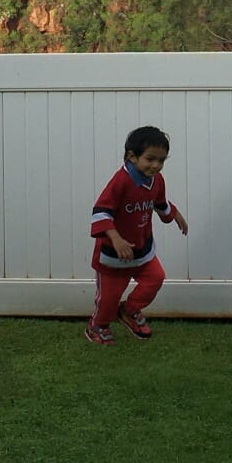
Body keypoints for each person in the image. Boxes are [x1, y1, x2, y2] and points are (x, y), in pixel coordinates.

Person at [85, 125, 188, 345]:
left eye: (161, 160)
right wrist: (116, 239)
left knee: (155, 278)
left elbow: (160, 203)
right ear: (132, 156)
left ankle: (129, 311)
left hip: (142, 249)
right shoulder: (121, 181)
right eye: (150, 159)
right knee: (108, 300)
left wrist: (174, 214)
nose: (156, 165)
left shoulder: (156, 180)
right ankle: (97, 326)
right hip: (114, 254)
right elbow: (101, 211)